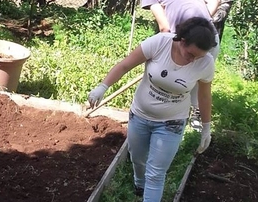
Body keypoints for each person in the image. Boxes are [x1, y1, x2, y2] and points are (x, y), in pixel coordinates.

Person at [88, 17, 217, 202]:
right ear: (181, 40)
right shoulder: (160, 43)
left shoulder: (205, 63)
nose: (193, 60)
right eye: (190, 54)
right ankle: (139, 182)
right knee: (137, 158)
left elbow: (204, 96)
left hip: (172, 123)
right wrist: (102, 87)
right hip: (140, 115)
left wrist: (206, 127)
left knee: (156, 173)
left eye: (199, 56)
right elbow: (125, 65)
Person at [129, 0, 220, 131]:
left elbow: (164, 28)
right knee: (193, 86)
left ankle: (170, 127)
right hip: (209, 40)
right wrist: (198, 27)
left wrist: (158, 54)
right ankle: (193, 125)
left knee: (173, 87)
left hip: (185, 44)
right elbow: (214, 0)